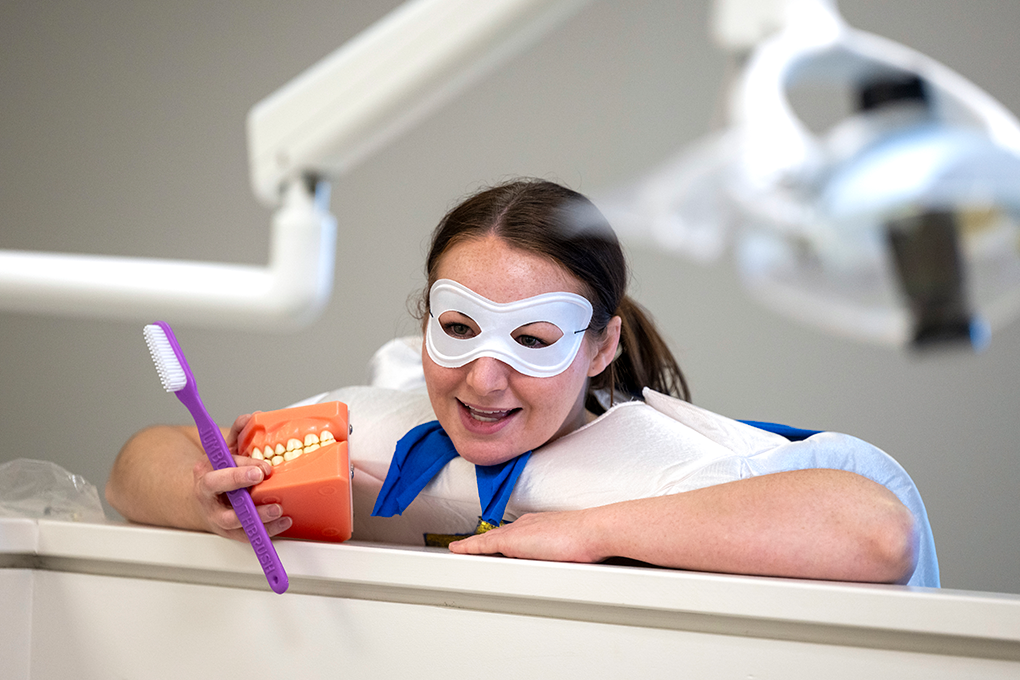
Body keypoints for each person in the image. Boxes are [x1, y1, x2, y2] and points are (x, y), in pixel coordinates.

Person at [106, 178, 938, 586]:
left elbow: (878, 533)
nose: (484, 377)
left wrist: (586, 531)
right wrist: (203, 499)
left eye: (534, 341)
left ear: (602, 347)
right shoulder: (365, 429)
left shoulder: (669, 474)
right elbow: (140, 461)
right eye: (458, 330)